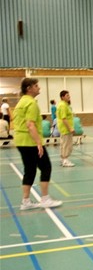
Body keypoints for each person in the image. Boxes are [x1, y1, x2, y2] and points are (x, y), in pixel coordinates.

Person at [13, 78, 62, 210]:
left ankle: (26, 201)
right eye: (36, 86)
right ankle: (45, 199)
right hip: (30, 142)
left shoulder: (21, 102)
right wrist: (39, 143)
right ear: (29, 88)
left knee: (30, 170)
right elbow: (30, 124)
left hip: (21, 141)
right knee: (46, 167)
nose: (39, 88)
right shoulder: (31, 103)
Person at [56, 90, 76, 167]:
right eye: (67, 95)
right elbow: (64, 119)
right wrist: (70, 128)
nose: (69, 97)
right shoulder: (63, 106)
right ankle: (65, 160)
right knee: (66, 145)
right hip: (65, 129)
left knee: (64, 144)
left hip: (65, 128)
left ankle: (63, 159)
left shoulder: (65, 105)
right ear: (62, 97)